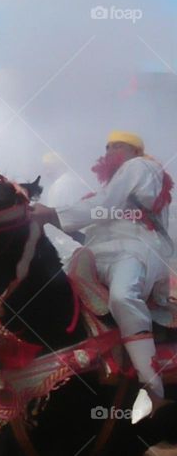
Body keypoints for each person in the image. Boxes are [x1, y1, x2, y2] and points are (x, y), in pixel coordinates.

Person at [32, 131, 173, 423]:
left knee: (123, 296)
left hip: (136, 250)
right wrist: (59, 223)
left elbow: (105, 207)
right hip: (102, 253)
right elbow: (99, 217)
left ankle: (154, 389)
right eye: (107, 147)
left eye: (118, 146)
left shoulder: (140, 168)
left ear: (135, 151)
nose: (110, 151)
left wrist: (52, 213)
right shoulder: (115, 184)